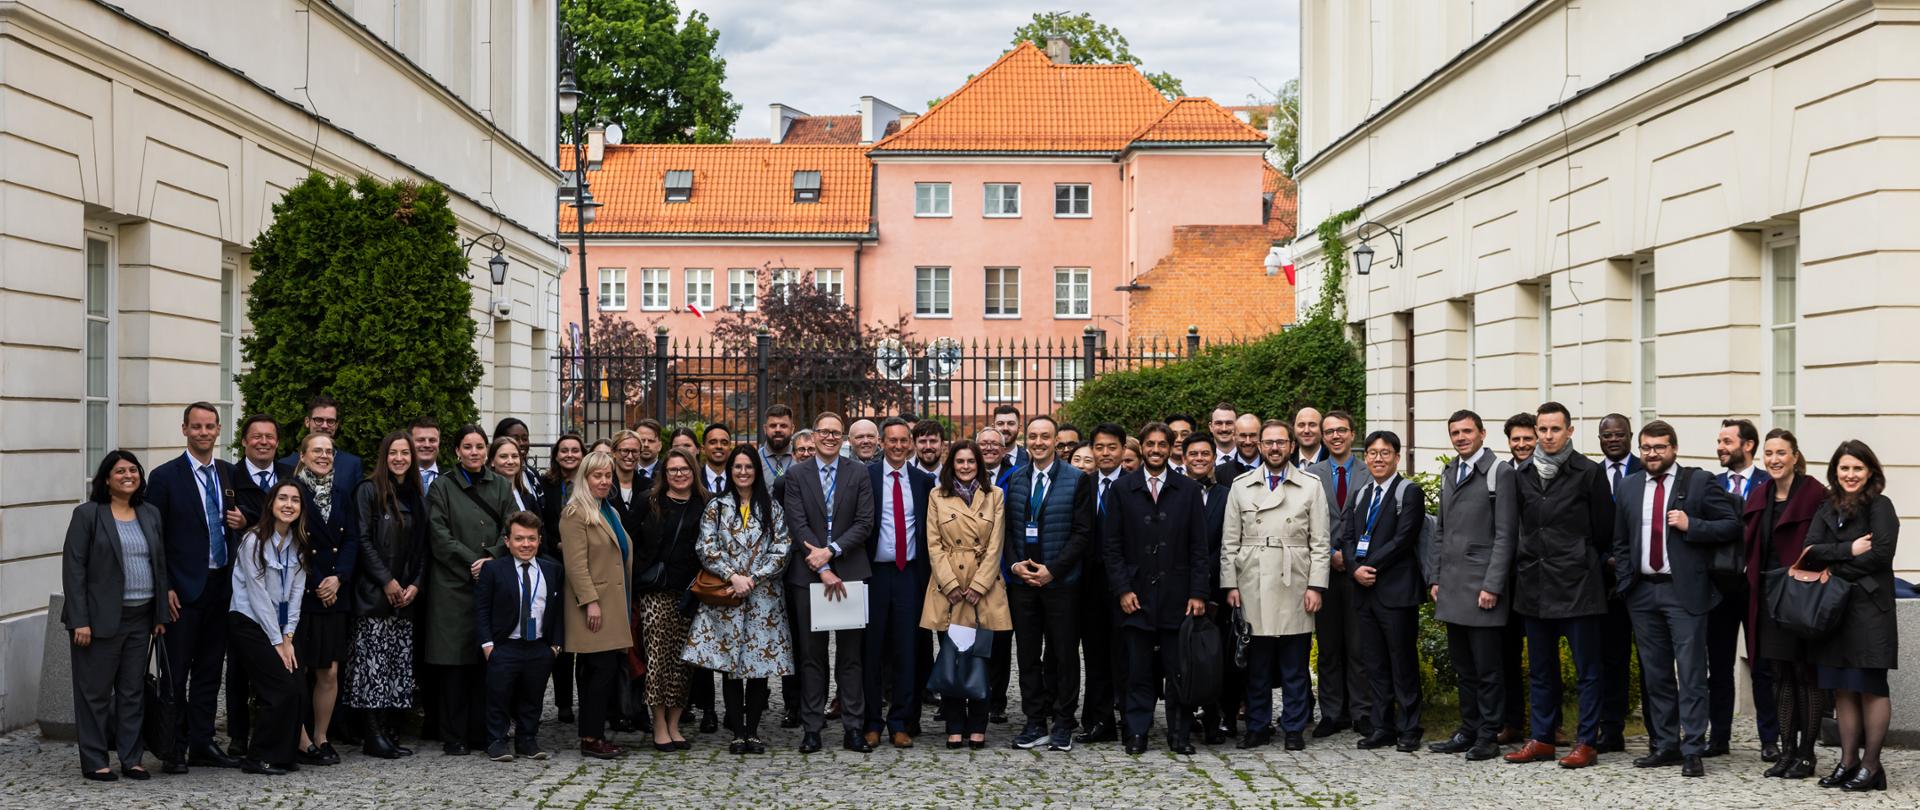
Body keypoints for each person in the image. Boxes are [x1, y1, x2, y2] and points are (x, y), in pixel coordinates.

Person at [1609, 420, 1741, 778]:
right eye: (1647, 447)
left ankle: (1693, 748)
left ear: (1674, 448)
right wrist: (1626, 581)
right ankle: (1665, 744)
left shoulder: (1697, 481)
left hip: (1684, 593)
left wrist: (1691, 524)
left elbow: (1732, 524)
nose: (1653, 453)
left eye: (1660, 447)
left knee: (1692, 673)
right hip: (1641, 592)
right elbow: (1620, 540)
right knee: (1656, 675)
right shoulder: (1630, 486)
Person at [1505, 402, 1613, 769]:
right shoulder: (1521, 474)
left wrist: (1578, 557)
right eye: (1543, 429)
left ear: (1569, 431)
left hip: (1578, 585)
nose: (1548, 436)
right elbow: (1518, 526)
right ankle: (1543, 737)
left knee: (1587, 670)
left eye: (1555, 429)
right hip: (1534, 584)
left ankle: (1586, 741)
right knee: (1540, 669)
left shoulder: (1590, 472)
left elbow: (1603, 530)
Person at [1102, 422, 1209, 756]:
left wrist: (1198, 592)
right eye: (1150, 444)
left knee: (1179, 670)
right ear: (1142, 447)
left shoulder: (1188, 490)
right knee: (1138, 669)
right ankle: (1137, 731)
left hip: (1178, 594)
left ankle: (1180, 732)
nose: (1156, 450)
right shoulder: (1121, 489)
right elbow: (1112, 546)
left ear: (1171, 447)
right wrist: (1122, 588)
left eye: (1163, 444)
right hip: (1136, 595)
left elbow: (1199, 547)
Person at [149, 402, 244, 773]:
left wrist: (243, 519)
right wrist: (165, 587)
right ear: (184, 430)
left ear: (219, 430)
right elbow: (154, 538)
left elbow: (239, 523)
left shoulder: (228, 473)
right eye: (196, 426)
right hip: (182, 591)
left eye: (210, 426)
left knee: (209, 670)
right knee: (176, 671)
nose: (203, 432)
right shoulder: (165, 477)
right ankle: (173, 746)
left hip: (221, 586)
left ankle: (203, 741)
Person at [1221, 420, 1326, 751]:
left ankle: (1294, 727)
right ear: (1260, 447)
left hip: (1294, 579)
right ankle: (1257, 725)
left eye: (1281, 442)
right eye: (1269, 443)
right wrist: (1230, 585)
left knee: (1295, 665)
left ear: (1291, 446)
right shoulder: (1241, 485)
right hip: (1253, 579)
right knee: (1257, 665)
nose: (1275, 448)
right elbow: (1229, 542)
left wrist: (1316, 586)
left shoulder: (1310, 486)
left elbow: (1320, 543)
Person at [63, 450, 168, 781]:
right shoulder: (88, 515)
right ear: (106, 479)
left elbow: (159, 566)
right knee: (94, 693)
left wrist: (160, 615)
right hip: (97, 621)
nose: (128, 475)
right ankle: (95, 760)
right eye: (120, 470)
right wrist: (80, 620)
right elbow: (73, 569)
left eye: (133, 470)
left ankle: (132, 757)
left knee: (133, 691)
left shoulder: (149, 513)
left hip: (141, 617)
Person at [684, 446, 795, 755]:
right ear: (730, 471)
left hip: (763, 597)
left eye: (748, 467)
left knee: (759, 667)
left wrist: (754, 577)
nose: (743, 472)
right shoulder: (716, 507)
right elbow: (706, 547)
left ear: (757, 471)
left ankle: (754, 731)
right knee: (731, 666)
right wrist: (733, 575)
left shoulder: (771, 508)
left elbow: (783, 547)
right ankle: (736, 732)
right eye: (737, 467)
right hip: (727, 594)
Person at [1804, 440, 1899, 792]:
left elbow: (1881, 555)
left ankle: (1871, 766)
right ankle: (1848, 762)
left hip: (1870, 611)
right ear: (1835, 472)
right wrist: (1848, 549)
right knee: (1842, 688)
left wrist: (1836, 568)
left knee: (1870, 687)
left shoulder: (1881, 506)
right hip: (1833, 612)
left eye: (1857, 468)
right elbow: (1811, 551)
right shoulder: (1826, 507)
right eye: (1844, 468)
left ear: (1870, 471)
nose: (1850, 474)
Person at [781, 411, 876, 754]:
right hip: (808, 576)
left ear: (843, 439)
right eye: (825, 432)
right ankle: (812, 728)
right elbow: (797, 523)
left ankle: (853, 727)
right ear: (815, 435)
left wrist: (832, 551)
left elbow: (865, 522)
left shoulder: (859, 473)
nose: (830, 437)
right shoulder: (796, 474)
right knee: (812, 656)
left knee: (851, 657)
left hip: (850, 571)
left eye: (837, 433)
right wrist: (821, 566)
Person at [1426, 411, 1517, 762]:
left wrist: (1492, 584)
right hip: (1451, 585)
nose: (1461, 437)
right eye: (1455, 433)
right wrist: (1435, 577)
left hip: (1482, 587)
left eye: (1467, 431)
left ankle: (1488, 734)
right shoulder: (1451, 470)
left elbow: (1506, 534)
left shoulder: (1500, 473)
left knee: (1488, 669)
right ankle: (1468, 728)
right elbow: (1440, 530)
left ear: (1482, 433)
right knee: (1464, 667)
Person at [1003, 415, 1095, 752]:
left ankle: (1063, 722)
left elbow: (1083, 533)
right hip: (1023, 584)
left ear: (1056, 441)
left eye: (1045, 436)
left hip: (1061, 583)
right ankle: (1034, 721)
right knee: (1027, 655)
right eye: (1033, 436)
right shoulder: (1015, 480)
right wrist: (1015, 565)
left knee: (1064, 654)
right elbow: (1008, 531)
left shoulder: (1076, 479)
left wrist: (1052, 570)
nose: (1038, 442)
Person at [424, 424, 515, 755]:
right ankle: (454, 734)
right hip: (452, 586)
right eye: (467, 447)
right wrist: (472, 561)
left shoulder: (502, 486)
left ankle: (482, 731)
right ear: (456, 452)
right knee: (454, 666)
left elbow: (511, 527)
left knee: (484, 662)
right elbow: (438, 534)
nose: (474, 452)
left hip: (490, 583)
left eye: (479, 446)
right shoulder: (442, 487)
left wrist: (490, 558)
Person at [1745, 429, 1827, 779]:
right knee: (1779, 675)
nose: (1774, 459)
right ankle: (1787, 751)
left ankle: (1807, 755)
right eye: (1769, 453)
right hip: (1766, 596)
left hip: (1802, 596)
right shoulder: (1760, 494)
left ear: (1795, 456)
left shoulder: (1814, 494)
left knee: (1805, 675)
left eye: (1782, 452)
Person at [920, 440, 1009, 749]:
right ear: (952, 465)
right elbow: (933, 544)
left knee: (981, 658)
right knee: (952, 658)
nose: (966, 466)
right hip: (949, 590)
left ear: (979, 464)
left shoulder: (994, 495)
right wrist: (953, 586)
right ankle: (955, 724)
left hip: (983, 590)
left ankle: (978, 725)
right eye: (960, 461)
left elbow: (996, 544)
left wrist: (978, 586)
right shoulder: (937, 495)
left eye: (971, 461)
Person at [1342, 430, 1426, 753]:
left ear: (1397, 457)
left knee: (1402, 662)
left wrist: (1368, 567)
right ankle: (1383, 726)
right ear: (1366, 458)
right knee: (1374, 663)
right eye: (1373, 453)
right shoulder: (1362, 493)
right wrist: (1352, 569)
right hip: (1364, 593)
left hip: (1396, 592)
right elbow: (1348, 537)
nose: (1378, 458)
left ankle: (1409, 727)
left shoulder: (1410, 492)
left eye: (1385, 453)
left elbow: (1403, 540)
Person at [348, 431, 426, 759]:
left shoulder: (417, 494)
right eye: (393, 453)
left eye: (405, 453)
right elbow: (363, 540)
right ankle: (372, 735)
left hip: (405, 597)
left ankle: (389, 730)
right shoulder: (368, 491)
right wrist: (388, 582)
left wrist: (415, 585)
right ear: (384, 456)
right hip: (375, 595)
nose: (399, 459)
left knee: (394, 668)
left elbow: (425, 546)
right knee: (371, 667)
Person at [227, 481, 312, 775]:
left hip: (279, 626)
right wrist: (277, 641)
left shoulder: (298, 544)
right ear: (271, 504)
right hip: (249, 622)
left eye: (295, 500)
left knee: (297, 687)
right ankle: (257, 757)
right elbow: (257, 594)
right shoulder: (254, 540)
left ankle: (283, 755)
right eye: (283, 499)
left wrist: (288, 637)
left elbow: (297, 593)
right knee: (279, 688)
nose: (289, 505)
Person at [862, 417, 935, 748]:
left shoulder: (923, 482)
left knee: (908, 650)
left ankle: (900, 721)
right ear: (881, 442)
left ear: (911, 443)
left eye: (904, 440)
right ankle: (871, 721)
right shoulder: (866, 477)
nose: (898, 446)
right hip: (874, 574)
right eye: (892, 440)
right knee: (872, 650)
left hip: (910, 574)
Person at [559, 450, 636, 759]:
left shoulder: (610, 512)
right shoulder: (575, 513)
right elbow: (576, 565)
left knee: (602, 671)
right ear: (585, 478)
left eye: (608, 476)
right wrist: (590, 602)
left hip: (614, 602)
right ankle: (592, 738)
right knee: (599, 671)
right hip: (593, 606)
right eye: (597, 476)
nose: (604, 481)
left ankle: (593, 734)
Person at [290, 433, 359, 766]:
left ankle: (321, 735)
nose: (323, 456)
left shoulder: (342, 494)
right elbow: (293, 542)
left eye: (328, 451)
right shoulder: (292, 493)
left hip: (334, 595)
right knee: (298, 670)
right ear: (302, 456)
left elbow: (352, 542)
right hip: (302, 594)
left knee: (329, 672)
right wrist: (319, 581)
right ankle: (299, 738)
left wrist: (338, 577)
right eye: (316, 450)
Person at [1709, 418, 1776, 759]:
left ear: (1747, 445)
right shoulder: (1711, 484)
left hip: (1757, 587)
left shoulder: (1769, 483)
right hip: (1720, 588)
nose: (1720, 447)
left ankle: (1769, 741)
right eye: (1719, 441)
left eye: (1726, 441)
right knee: (1718, 666)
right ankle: (1718, 738)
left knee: (1763, 665)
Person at [225, 414, 290, 757]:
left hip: (281, 587)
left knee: (279, 667)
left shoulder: (288, 476)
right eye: (256, 437)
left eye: (270, 437)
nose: (263, 442)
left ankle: (275, 733)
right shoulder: (228, 478)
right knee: (239, 666)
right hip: (242, 590)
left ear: (277, 442)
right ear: (245, 442)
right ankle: (238, 735)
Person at [475, 512, 564, 762]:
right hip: (504, 645)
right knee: (498, 696)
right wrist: (488, 645)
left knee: (533, 696)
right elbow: (481, 609)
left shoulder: (552, 569)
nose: (526, 544)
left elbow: (558, 611)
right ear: (507, 541)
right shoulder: (493, 569)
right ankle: (496, 741)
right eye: (520, 539)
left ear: (539, 540)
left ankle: (527, 740)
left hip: (538, 646)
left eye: (531, 539)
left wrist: (555, 645)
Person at [634, 448, 706, 750]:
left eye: (684, 469)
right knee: (658, 660)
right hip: (656, 591)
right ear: (664, 474)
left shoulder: (707, 503)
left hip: (692, 591)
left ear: (693, 471)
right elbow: (631, 542)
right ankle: (659, 723)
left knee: (683, 661)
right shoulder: (648, 502)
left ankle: (675, 723)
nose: (679, 474)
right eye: (673, 469)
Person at [1304, 409, 1369, 738]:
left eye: (1342, 430)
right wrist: (1330, 554)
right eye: (1329, 431)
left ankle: (1360, 711)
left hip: (1359, 571)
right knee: (1328, 645)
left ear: (1352, 433)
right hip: (1324, 569)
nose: (1336, 436)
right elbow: (1305, 523)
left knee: (1358, 644)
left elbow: (1375, 520)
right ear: (1322, 436)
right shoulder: (1311, 475)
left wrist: (1353, 558)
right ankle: (1331, 712)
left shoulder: (1368, 471)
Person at [1182, 433, 1240, 744]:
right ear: (1184, 458)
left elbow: (1232, 539)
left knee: (1220, 656)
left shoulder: (1227, 494)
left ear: (1213, 457)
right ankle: (1186, 715)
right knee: (1187, 654)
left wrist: (1207, 571)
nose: (1200, 458)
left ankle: (1221, 718)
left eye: (1206, 453)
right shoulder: (1174, 492)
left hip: (1218, 585)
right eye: (1194, 453)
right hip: (1183, 586)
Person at [1074, 423, 1127, 745]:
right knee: (1094, 656)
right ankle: (1099, 719)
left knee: (1126, 654)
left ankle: (1132, 716)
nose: (1105, 453)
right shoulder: (1084, 484)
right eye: (1100, 448)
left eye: (1112, 447)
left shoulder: (1134, 484)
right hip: (1089, 583)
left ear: (1122, 449)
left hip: (1124, 583)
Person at [1594, 412, 1643, 754]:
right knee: (1611, 659)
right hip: (1603, 584)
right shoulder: (1591, 475)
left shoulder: (1647, 469)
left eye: (1619, 434)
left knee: (1652, 661)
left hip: (1644, 581)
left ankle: (1661, 732)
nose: (1613, 439)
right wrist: (1604, 560)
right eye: (1607, 435)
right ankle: (1611, 729)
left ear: (1630, 435)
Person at [1496, 412, 1538, 743]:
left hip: (1541, 576)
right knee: (1507, 655)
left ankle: (1545, 724)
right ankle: (1512, 721)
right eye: (1516, 439)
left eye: (1528, 438)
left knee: (1541, 655)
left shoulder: (1548, 472)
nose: (1522, 444)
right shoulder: (1502, 473)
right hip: (1509, 577)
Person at [539, 433, 586, 723]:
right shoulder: (547, 485)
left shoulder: (590, 484)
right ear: (556, 455)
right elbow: (541, 521)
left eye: (575, 450)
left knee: (586, 639)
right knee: (561, 640)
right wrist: (559, 544)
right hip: (555, 564)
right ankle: (564, 703)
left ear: (583, 454)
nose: (569, 455)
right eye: (564, 450)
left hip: (584, 566)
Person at [278, 394, 363, 486]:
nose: (324, 426)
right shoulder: (286, 465)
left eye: (330, 421)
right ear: (307, 422)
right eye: (319, 420)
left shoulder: (352, 465)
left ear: (336, 425)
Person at [606, 429, 649, 543]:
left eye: (634, 451)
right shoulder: (604, 485)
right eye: (624, 451)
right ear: (614, 452)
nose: (630, 456)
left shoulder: (649, 486)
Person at [492, 417, 541, 496]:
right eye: (515, 439)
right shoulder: (489, 481)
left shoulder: (532, 474)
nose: (521, 443)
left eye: (525, 439)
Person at [490, 437, 538, 514]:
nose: (510, 461)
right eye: (503, 456)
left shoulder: (529, 498)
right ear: (492, 461)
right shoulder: (485, 496)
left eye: (514, 456)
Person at [761, 405, 797, 479]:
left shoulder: (801, 458)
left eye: (783, 426)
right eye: (773, 426)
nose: (778, 430)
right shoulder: (755, 459)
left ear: (792, 429)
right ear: (765, 429)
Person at [701, 423, 735, 496]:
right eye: (713, 442)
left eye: (724, 443)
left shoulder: (737, 478)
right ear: (703, 449)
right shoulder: (694, 479)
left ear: (730, 448)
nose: (719, 446)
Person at [410, 418, 443, 491]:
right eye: (420, 440)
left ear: (439, 443)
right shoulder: (398, 479)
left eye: (432, 440)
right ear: (410, 443)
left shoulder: (451, 480)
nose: (427, 445)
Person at [991, 405, 1028, 469]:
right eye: (1000, 423)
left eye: (1011, 423)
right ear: (993, 426)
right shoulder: (982, 459)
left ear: (1019, 426)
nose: (1005, 428)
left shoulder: (1029, 459)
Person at [1208, 403, 1239, 468]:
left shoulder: (1248, 457)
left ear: (1238, 425)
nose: (1224, 429)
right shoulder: (1203, 459)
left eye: (1229, 423)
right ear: (1211, 427)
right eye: (1219, 423)